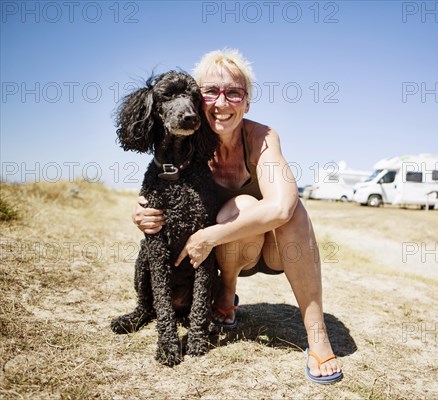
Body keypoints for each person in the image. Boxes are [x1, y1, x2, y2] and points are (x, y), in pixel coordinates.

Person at [132, 48, 343, 383]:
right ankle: (226, 297)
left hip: (272, 251)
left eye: (234, 92)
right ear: (197, 98)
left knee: (292, 211)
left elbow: (282, 207)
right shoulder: (188, 142)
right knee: (240, 208)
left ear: (247, 102)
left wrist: (209, 236)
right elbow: (160, 183)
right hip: (229, 258)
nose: (222, 102)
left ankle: (316, 334)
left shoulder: (261, 137)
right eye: (211, 91)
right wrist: (143, 211)